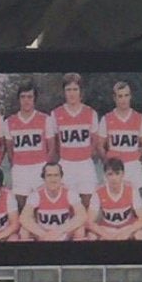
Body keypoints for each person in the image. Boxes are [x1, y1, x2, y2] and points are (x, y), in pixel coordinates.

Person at [3, 80, 53, 210]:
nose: (26, 100)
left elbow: (51, 147)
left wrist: (45, 167)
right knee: (21, 204)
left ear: (34, 99)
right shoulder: (9, 121)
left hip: (39, 167)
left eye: (29, 97)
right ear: (18, 99)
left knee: (41, 203)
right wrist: (16, 164)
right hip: (20, 168)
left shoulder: (45, 119)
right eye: (23, 97)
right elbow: (9, 150)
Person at [51, 73, 99, 207]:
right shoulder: (56, 114)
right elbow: (55, 143)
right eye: (68, 90)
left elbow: (95, 142)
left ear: (80, 91)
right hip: (65, 164)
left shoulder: (91, 113)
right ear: (64, 92)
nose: (72, 93)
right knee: (66, 204)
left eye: (75, 89)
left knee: (88, 202)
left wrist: (86, 155)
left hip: (85, 165)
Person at [98, 81, 142, 194]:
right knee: (111, 204)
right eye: (120, 96)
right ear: (114, 98)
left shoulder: (139, 118)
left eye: (126, 95)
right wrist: (108, 162)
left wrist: (137, 157)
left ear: (130, 96)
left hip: (133, 167)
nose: (123, 99)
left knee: (137, 204)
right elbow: (100, 145)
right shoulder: (106, 119)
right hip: (114, 168)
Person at [19, 162, 87, 242]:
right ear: (43, 178)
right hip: (42, 233)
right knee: (24, 231)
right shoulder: (36, 195)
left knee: (80, 229)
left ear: (61, 177)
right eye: (49, 175)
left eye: (56, 175)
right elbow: (24, 218)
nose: (53, 179)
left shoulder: (70, 193)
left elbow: (82, 215)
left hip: (63, 232)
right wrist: (44, 234)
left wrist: (58, 232)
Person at [87, 158, 142, 241]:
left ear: (123, 174)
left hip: (127, 226)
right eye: (110, 174)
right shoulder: (98, 192)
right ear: (105, 175)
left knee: (140, 234)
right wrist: (107, 235)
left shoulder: (131, 190)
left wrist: (127, 232)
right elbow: (89, 222)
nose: (114, 178)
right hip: (107, 228)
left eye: (117, 173)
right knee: (91, 235)